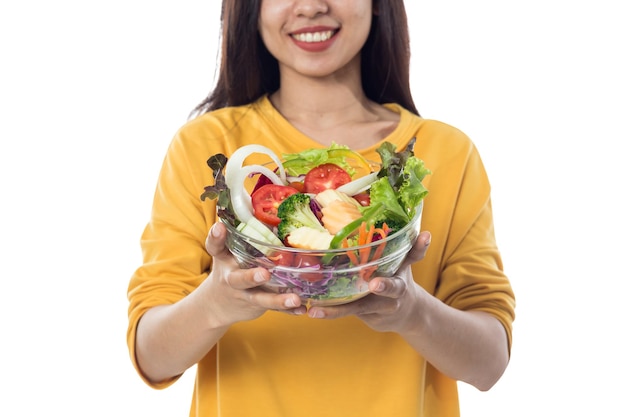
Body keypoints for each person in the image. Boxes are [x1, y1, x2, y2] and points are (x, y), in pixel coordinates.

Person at [126, 1, 516, 416]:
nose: (312, 6)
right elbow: (152, 356)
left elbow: (489, 364)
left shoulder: (444, 154)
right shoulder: (206, 147)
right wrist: (217, 302)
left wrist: (411, 311)